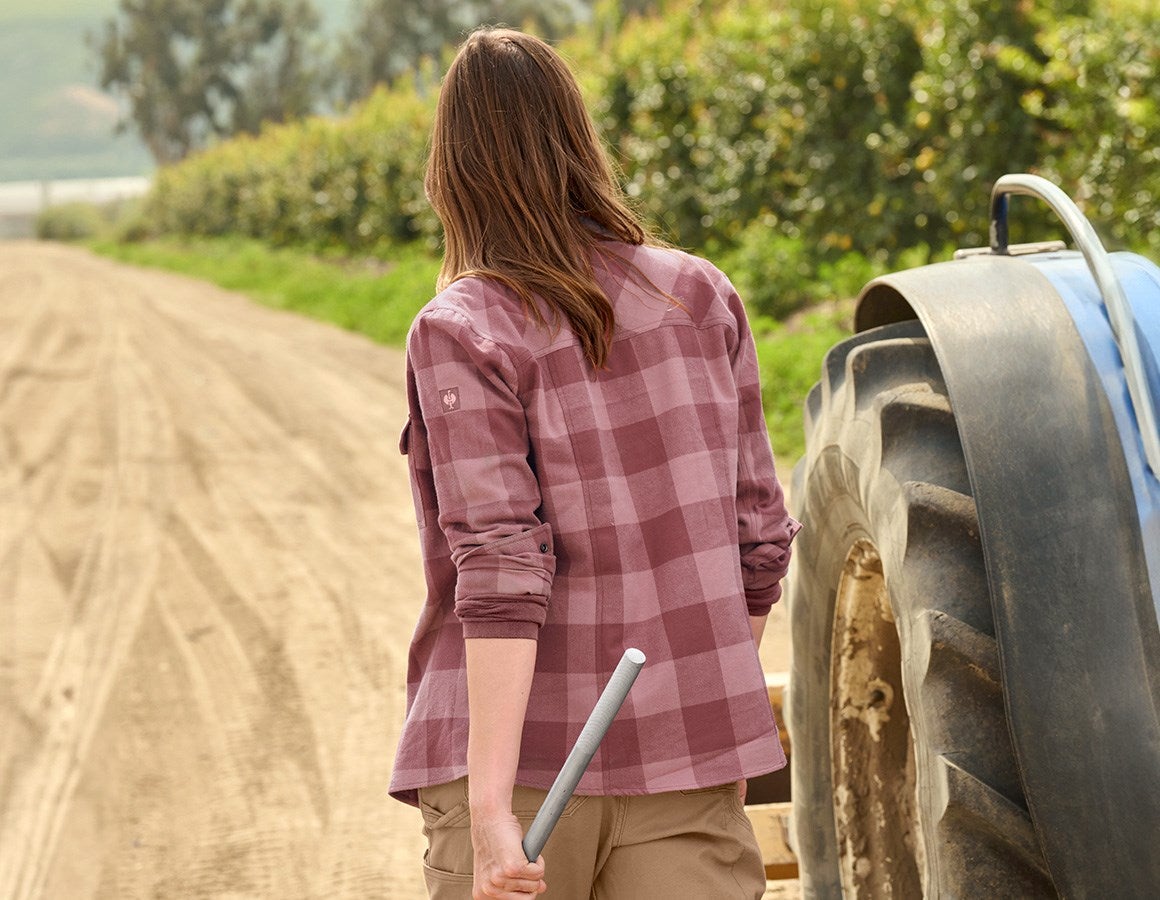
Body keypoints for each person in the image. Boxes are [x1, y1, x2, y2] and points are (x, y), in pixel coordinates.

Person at [389, 26, 801, 900]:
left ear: (453, 171)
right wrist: (703, 707)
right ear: (581, 143)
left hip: (530, 778)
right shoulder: (699, 294)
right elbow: (761, 538)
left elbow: (501, 567)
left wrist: (492, 808)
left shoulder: (465, 327)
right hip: (685, 764)